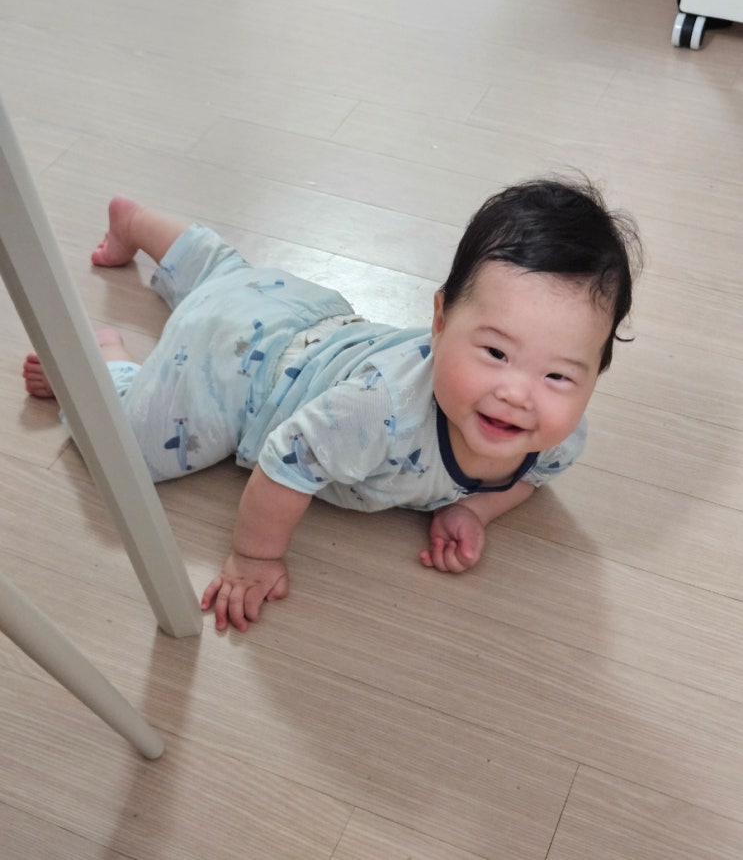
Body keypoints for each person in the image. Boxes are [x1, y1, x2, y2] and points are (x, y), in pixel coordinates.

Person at [23, 180, 641, 632]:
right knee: (124, 451)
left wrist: (475, 509)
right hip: (240, 373)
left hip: (295, 309)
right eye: (496, 353)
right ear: (439, 320)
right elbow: (285, 463)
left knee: (226, 278)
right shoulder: (376, 410)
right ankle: (105, 363)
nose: (518, 394)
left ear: (596, 375)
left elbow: (528, 479)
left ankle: (140, 222)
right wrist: (255, 556)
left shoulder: (558, 438)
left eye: (559, 375)